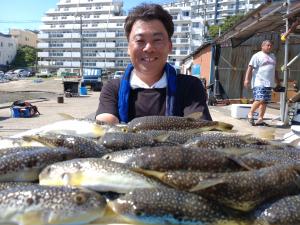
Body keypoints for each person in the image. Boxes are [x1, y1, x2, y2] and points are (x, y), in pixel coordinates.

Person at [95, 3, 211, 124]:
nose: (149, 48)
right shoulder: (113, 88)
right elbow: (105, 123)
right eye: (140, 40)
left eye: (157, 40)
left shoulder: (190, 86)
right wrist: (104, 125)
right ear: (129, 47)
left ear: (170, 46)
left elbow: (199, 129)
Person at [244, 40, 280, 126]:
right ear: (262, 46)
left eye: (271, 45)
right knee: (260, 99)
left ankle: (260, 119)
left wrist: (277, 80)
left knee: (265, 102)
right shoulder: (257, 56)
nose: (269, 47)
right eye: (268, 45)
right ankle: (250, 113)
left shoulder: (273, 56)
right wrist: (246, 79)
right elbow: (250, 67)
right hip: (259, 81)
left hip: (269, 83)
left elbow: (275, 70)